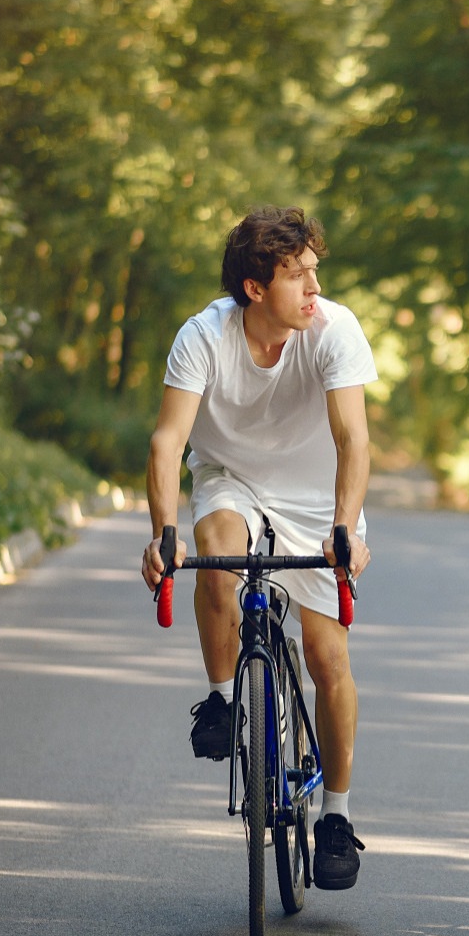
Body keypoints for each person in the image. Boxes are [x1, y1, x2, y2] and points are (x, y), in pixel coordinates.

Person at [140, 206, 376, 891]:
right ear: (253, 288)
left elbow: (353, 440)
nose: (313, 287)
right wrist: (163, 532)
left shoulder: (334, 331)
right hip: (231, 477)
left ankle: (336, 813)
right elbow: (166, 442)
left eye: (314, 272)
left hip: (315, 494)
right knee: (217, 559)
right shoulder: (203, 336)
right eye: (296, 275)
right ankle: (221, 699)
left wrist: (346, 528)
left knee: (328, 656)